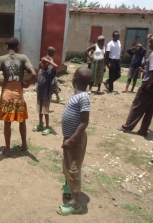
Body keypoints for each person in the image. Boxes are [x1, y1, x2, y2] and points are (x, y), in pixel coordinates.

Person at [0, 37, 36, 157]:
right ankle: (24, 145)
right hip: (19, 95)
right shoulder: (23, 58)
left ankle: (8, 149)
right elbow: (34, 73)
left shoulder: (1, 59)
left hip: (7, 95)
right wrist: (26, 85)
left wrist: (2, 83)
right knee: (22, 121)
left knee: (7, 123)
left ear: (7, 47)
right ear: (18, 47)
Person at [57, 67, 91, 216]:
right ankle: (69, 188)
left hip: (75, 140)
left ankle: (75, 204)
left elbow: (84, 122)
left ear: (74, 79)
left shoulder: (83, 97)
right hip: (70, 138)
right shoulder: (77, 96)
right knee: (67, 164)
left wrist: (71, 139)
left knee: (74, 168)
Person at [118, 34, 153, 137]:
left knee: (137, 106)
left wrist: (148, 84)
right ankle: (143, 130)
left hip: (149, 84)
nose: (149, 44)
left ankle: (127, 127)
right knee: (150, 108)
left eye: (151, 42)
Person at [33, 57, 58, 135]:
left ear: (48, 64)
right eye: (42, 62)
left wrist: (49, 61)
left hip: (46, 96)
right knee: (40, 111)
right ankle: (40, 124)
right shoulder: (40, 71)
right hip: (39, 95)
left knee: (45, 112)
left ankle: (47, 127)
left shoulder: (50, 72)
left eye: (44, 62)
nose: (42, 63)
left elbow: (56, 67)